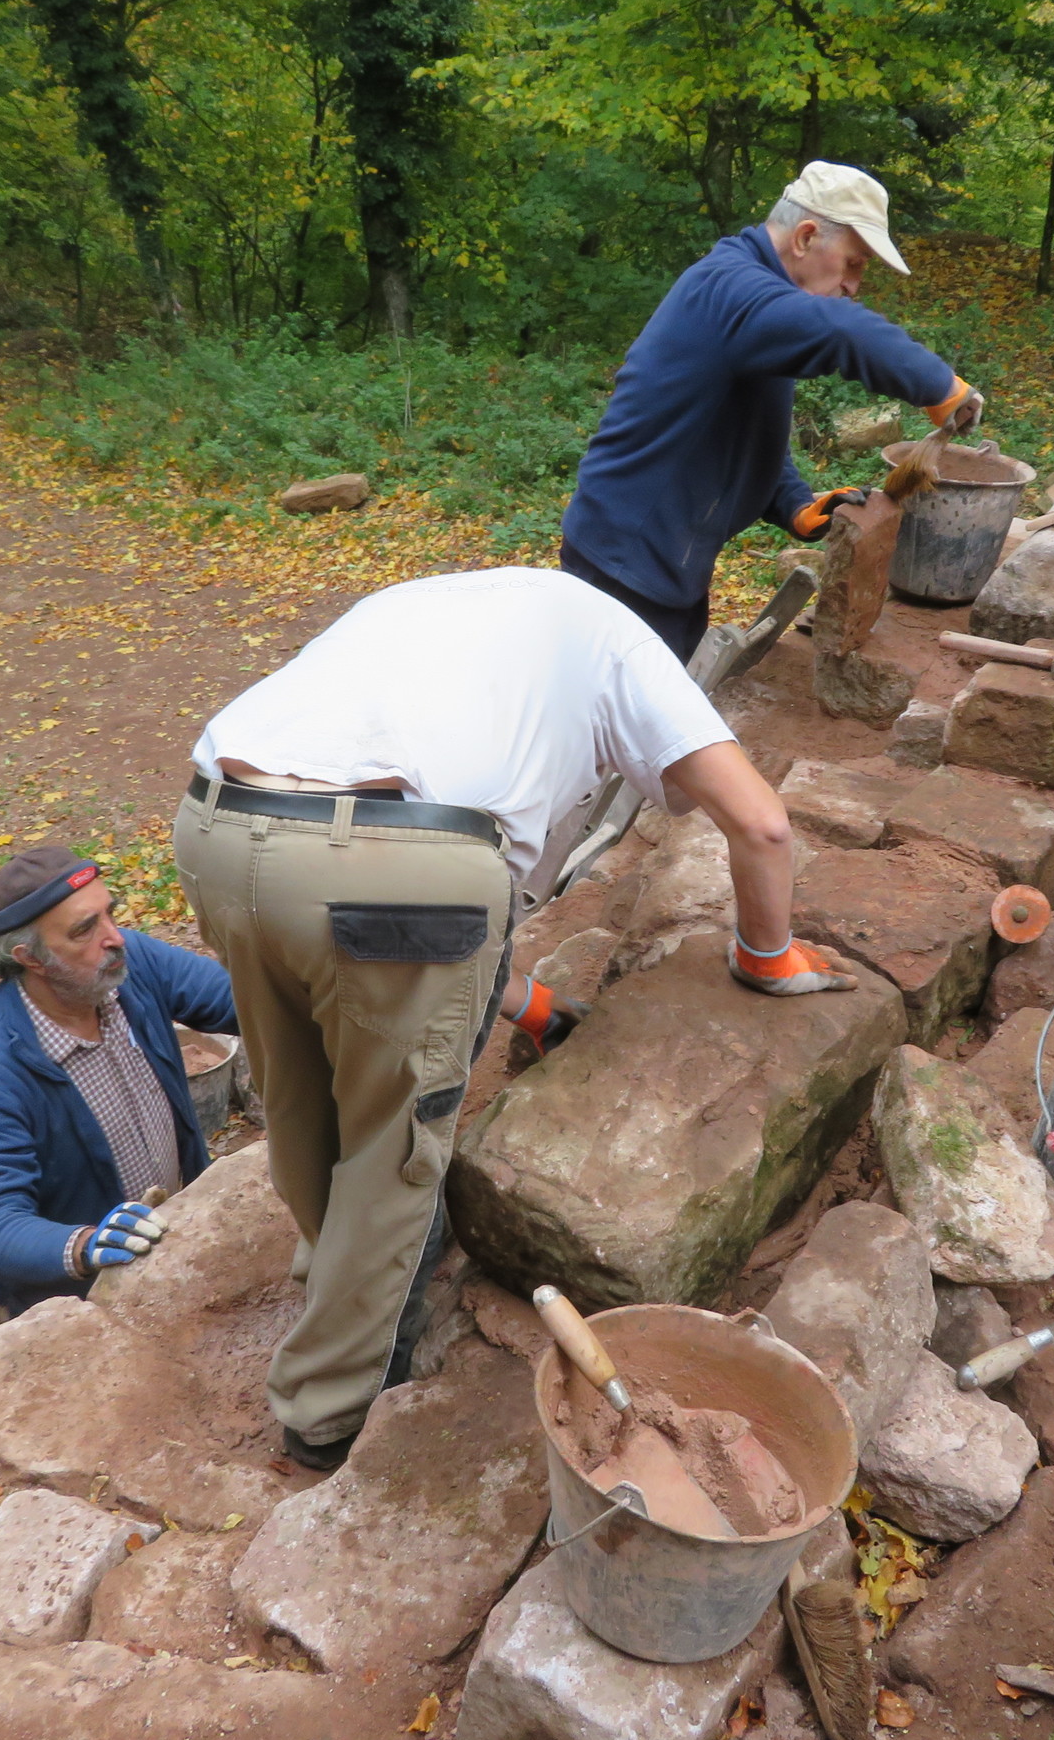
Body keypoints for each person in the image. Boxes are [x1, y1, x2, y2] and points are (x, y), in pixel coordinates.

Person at [174, 566, 856, 1469]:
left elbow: (390, 894)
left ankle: (327, 1263)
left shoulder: (435, 608)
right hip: (391, 869)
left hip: (218, 829)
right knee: (396, 1144)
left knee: (302, 1083)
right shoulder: (620, 641)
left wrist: (526, 1002)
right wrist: (767, 956)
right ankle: (329, 1408)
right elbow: (761, 826)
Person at [557, 159, 987, 659]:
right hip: (621, 570)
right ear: (805, 237)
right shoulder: (730, 289)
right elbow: (844, 330)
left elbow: (746, 421)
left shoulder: (754, 306)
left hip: (664, 564)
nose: (854, 285)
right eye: (853, 262)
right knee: (623, 710)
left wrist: (794, 504)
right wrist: (941, 387)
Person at [0, 845, 239, 1317]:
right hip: (86, 1307)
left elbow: (243, 1002)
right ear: (31, 958)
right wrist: (87, 1244)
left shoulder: (130, 964)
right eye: (85, 929)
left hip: (182, 1248)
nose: (115, 937)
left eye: (109, 914)